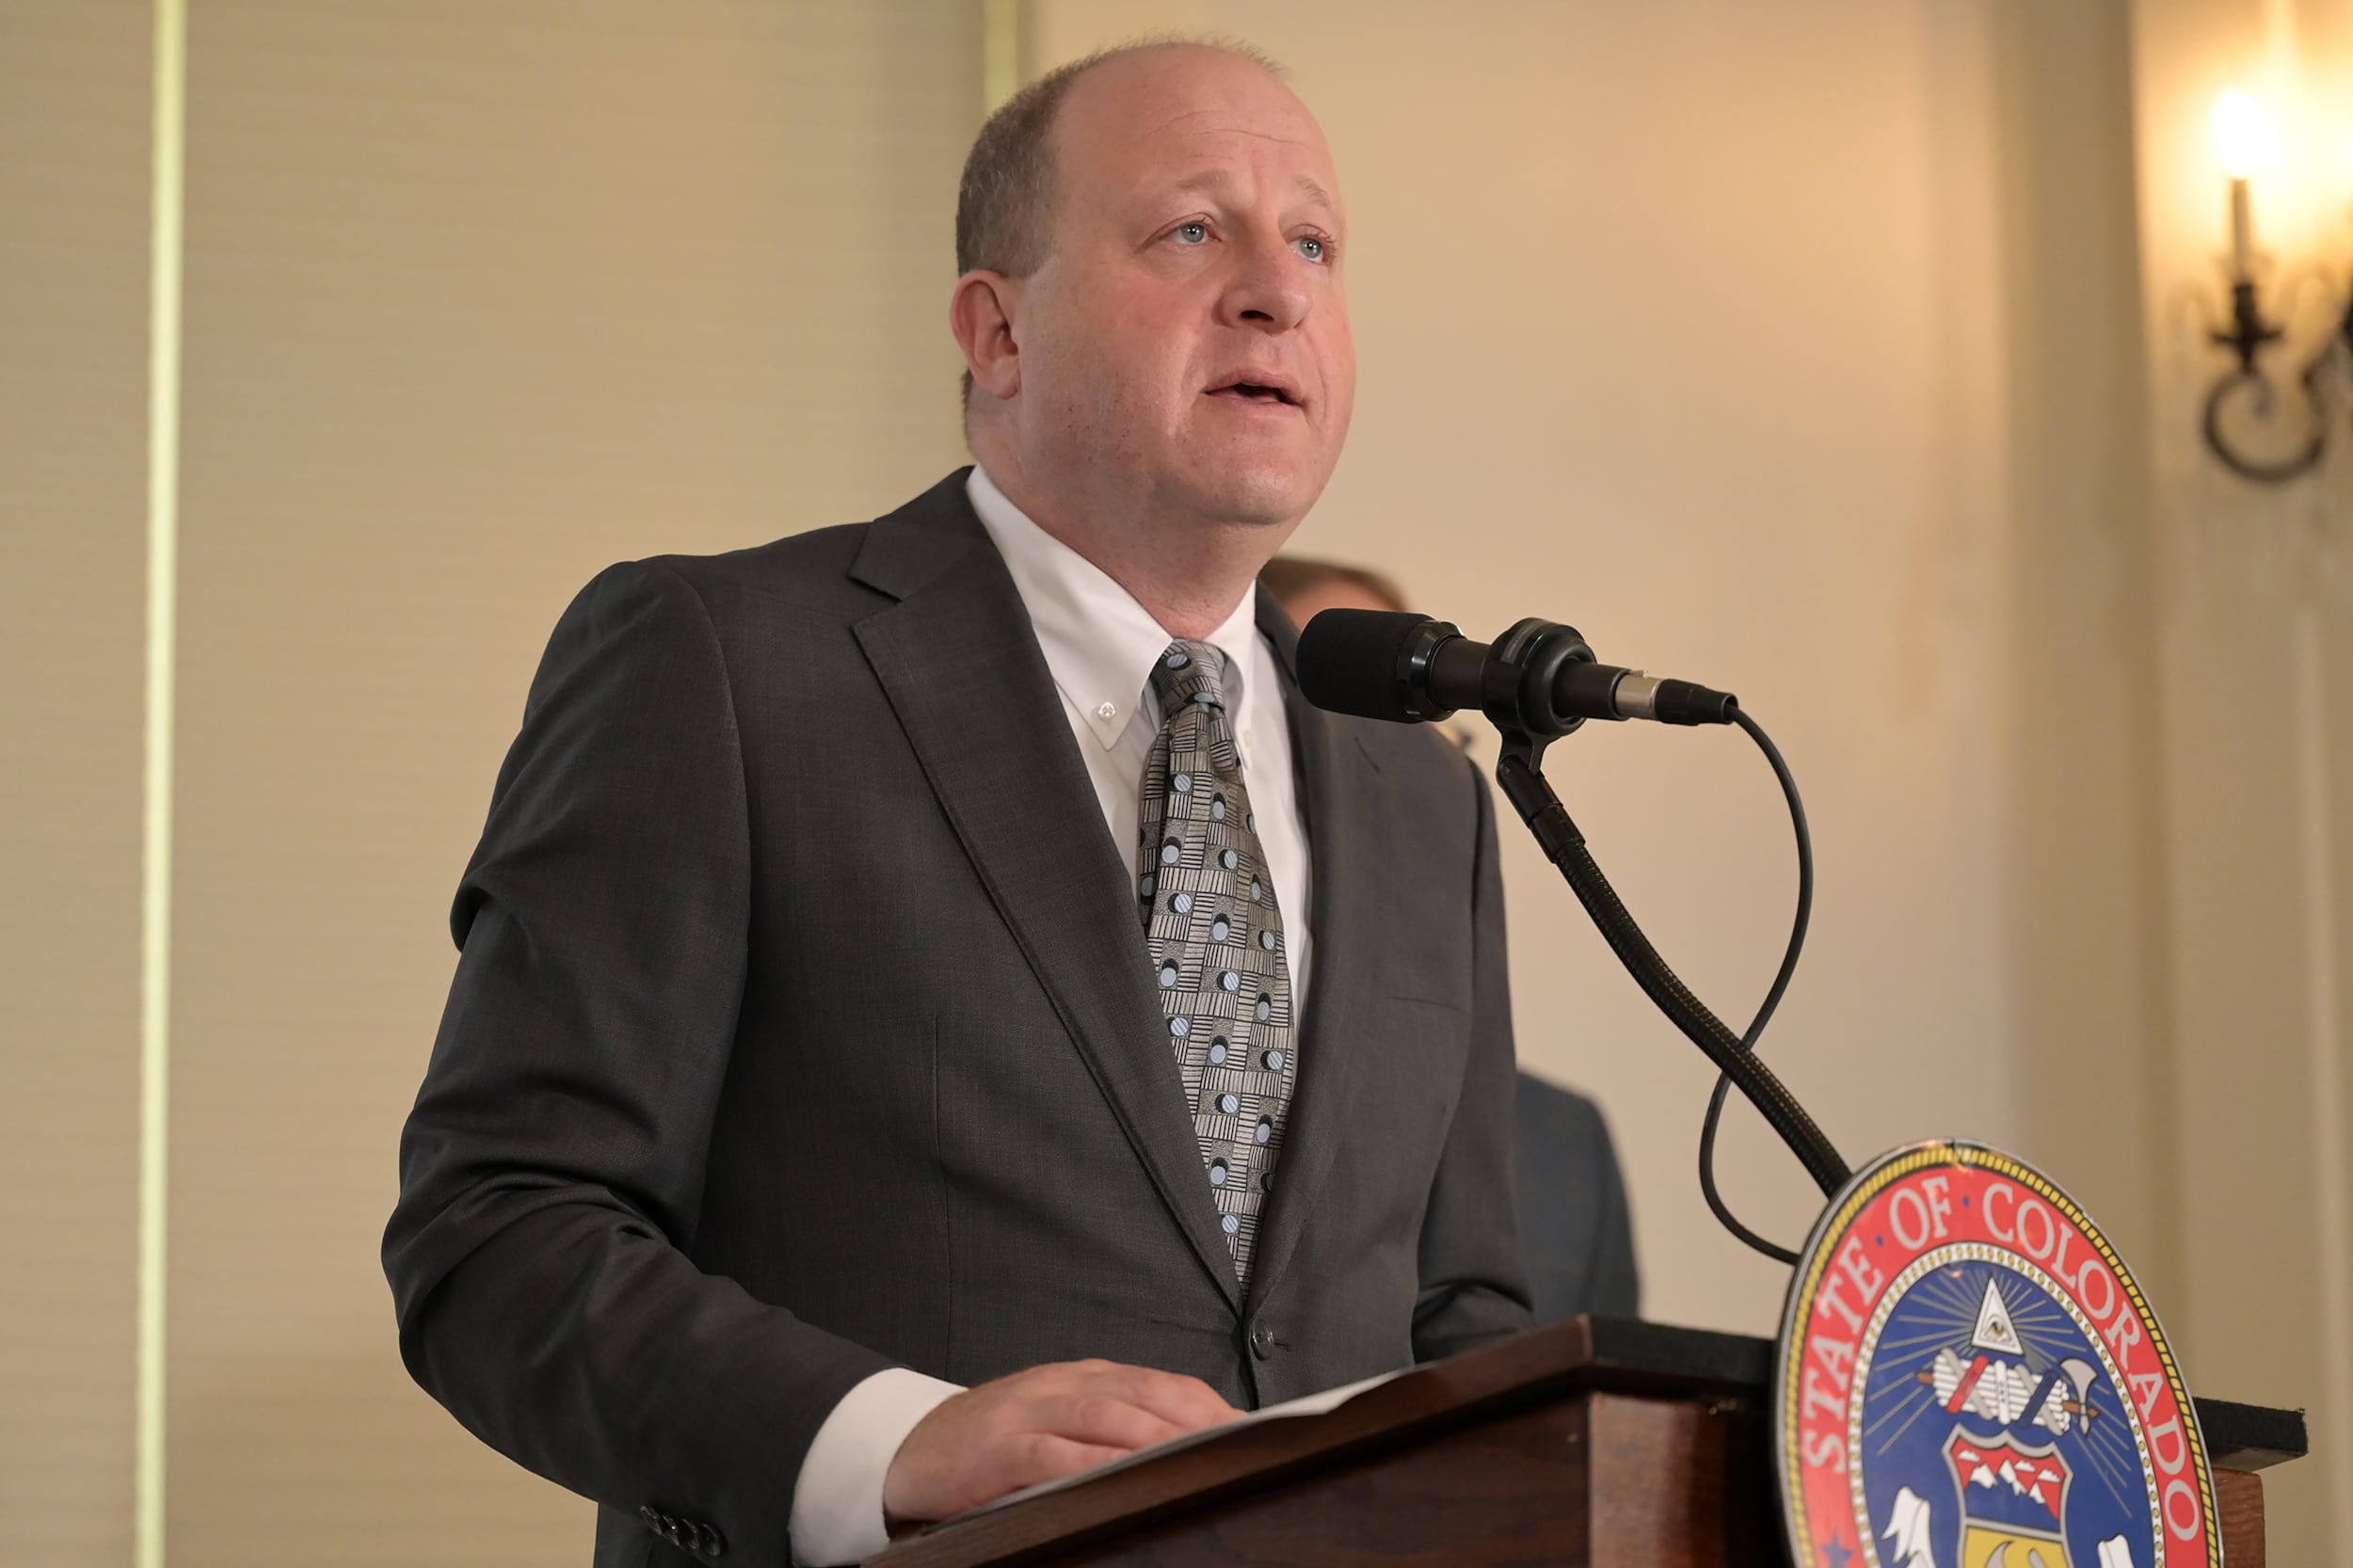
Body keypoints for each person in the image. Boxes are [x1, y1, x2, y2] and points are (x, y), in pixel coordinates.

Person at [383, 40, 1531, 1568]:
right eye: (1193, 232)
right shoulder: (722, 668)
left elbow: (1464, 1321)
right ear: (996, 331)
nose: (1278, 291)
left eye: (1313, 242)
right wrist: (887, 1441)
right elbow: (497, 1232)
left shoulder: (1422, 794)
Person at [1259, 555, 1641, 1324]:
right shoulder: (1199, 1070)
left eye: (1407, 729)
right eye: (1333, 714)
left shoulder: (1568, 1152)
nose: (1375, 763)